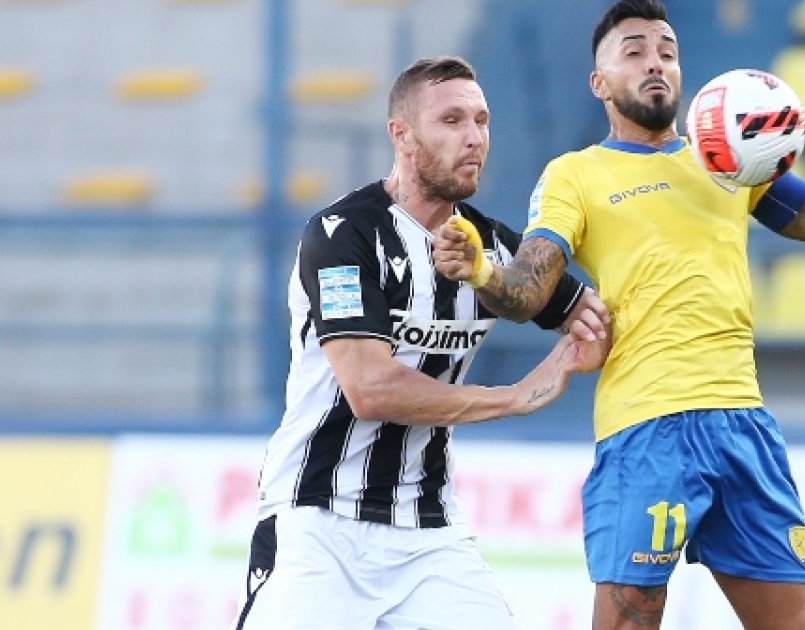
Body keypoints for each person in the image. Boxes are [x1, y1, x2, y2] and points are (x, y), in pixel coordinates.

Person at [431, 1, 805, 629]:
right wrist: (482, 271)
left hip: (743, 428)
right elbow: (528, 287)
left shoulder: (731, 160)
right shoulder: (577, 175)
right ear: (599, 83)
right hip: (648, 430)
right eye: (634, 52)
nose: (655, 63)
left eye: (667, 51)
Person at [231, 55, 611, 630]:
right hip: (318, 521)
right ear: (402, 135)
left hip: (429, 534)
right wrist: (514, 396)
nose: (474, 138)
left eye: (481, 121)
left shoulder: (492, 250)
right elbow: (371, 389)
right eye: (452, 121)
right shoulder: (342, 236)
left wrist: (586, 339)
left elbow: (588, 317)